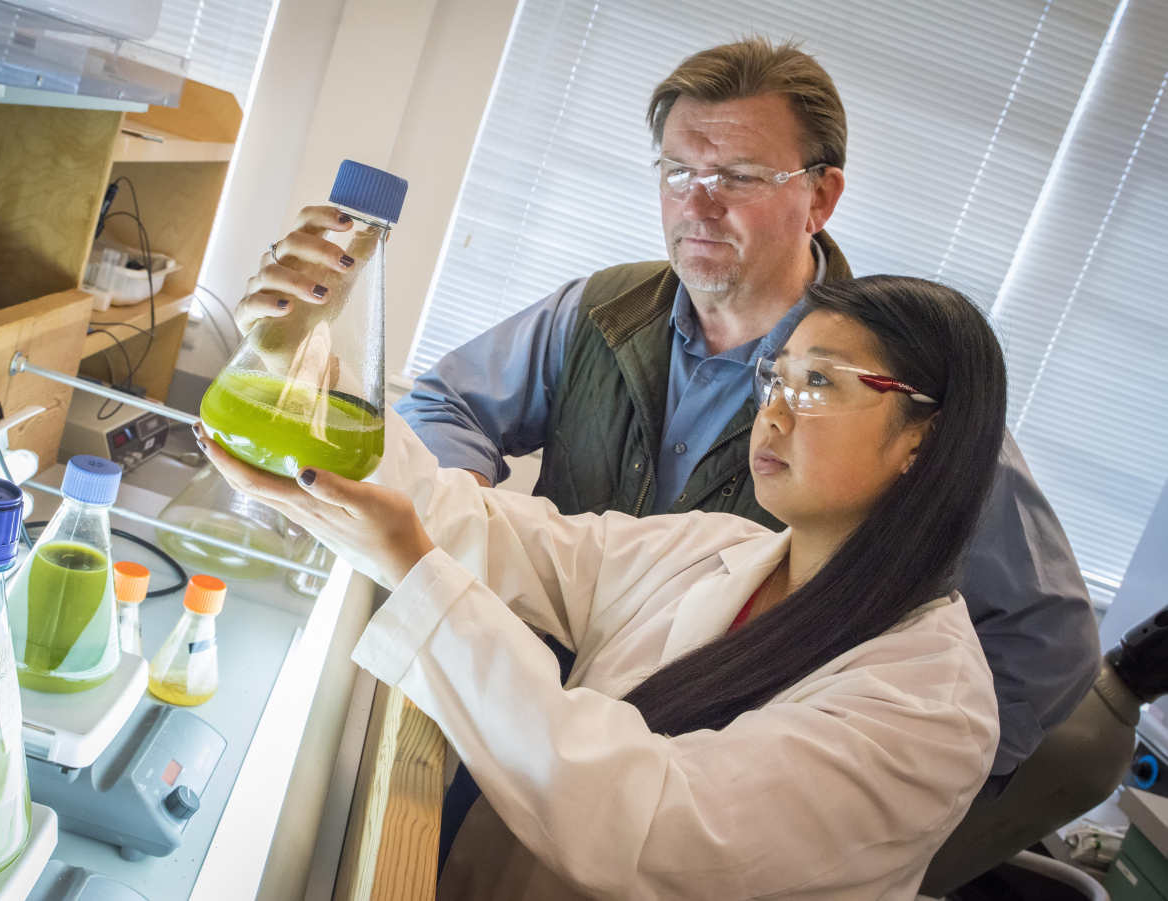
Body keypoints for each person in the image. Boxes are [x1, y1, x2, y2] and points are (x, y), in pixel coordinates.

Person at [232, 37, 1099, 789]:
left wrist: (901, 795)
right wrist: (454, 521)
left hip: (712, 780)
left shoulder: (894, 386)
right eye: (679, 170)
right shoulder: (607, 307)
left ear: (822, 196)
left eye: (740, 176)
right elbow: (445, 404)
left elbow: (1048, 637)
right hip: (528, 705)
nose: (698, 201)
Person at [200, 275, 1007, 900]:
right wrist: (304, 385)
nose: (771, 414)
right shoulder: (721, 548)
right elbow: (488, 530)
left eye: (819, 383)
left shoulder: (928, 708)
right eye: (775, 376)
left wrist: (416, 569)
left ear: (923, 437)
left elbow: (649, 823)